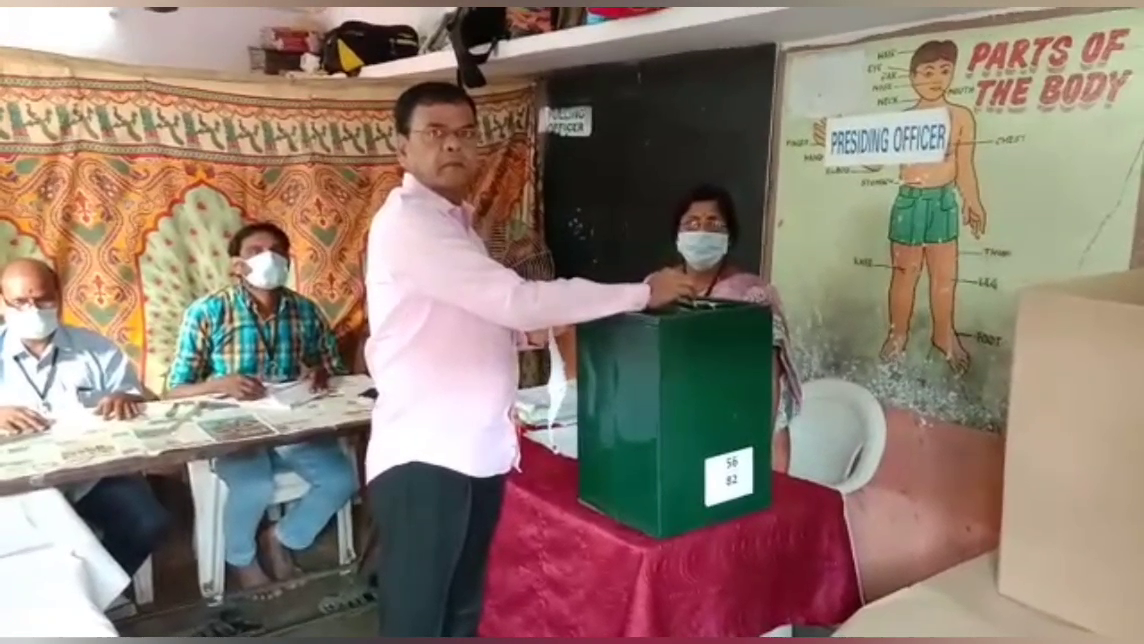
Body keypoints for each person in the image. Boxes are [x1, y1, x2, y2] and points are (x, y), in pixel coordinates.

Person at [365, 81, 696, 637]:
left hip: (474, 451)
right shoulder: (410, 224)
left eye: (466, 134)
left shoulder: (456, 224)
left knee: (462, 608)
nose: (453, 146)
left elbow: (468, 316)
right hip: (426, 458)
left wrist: (524, 338)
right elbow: (515, 300)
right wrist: (641, 292)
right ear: (402, 149)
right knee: (418, 619)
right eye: (436, 134)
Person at [165, 223, 357, 599]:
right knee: (254, 485)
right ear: (237, 264)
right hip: (234, 425)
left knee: (341, 481)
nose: (267, 258)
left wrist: (318, 371)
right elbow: (172, 390)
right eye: (255, 251)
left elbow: (335, 369)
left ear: (288, 261)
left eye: (276, 251)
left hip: (292, 422)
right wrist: (221, 384)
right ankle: (242, 561)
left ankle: (281, 538)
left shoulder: (305, 311)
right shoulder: (207, 311)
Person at [0, 258, 170, 581]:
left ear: (60, 296)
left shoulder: (96, 348)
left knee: (150, 522)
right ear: (2, 301)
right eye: (20, 302)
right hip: (19, 485)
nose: (33, 310)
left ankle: (97, 594)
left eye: (44, 299)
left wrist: (127, 398)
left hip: (91, 474)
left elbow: (135, 394)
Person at [669, 184, 803, 473]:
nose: (701, 231)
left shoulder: (751, 294)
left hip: (737, 429)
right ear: (677, 236)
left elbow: (767, 379)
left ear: (729, 237)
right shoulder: (657, 289)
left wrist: (756, 442)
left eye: (713, 223)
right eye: (691, 223)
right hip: (676, 428)